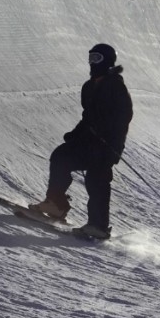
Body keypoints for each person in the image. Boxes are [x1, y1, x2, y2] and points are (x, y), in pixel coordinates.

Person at [30, 43, 133, 239]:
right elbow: (88, 117)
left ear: (108, 61)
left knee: (97, 179)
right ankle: (56, 205)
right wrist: (75, 134)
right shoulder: (88, 87)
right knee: (61, 156)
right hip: (89, 142)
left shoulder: (116, 87)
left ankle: (98, 226)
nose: (92, 63)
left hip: (106, 146)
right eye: (91, 58)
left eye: (97, 59)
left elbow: (123, 116)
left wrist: (110, 140)